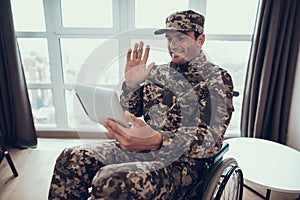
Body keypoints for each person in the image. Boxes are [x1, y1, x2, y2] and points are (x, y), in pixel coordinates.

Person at [48, 10, 234, 200]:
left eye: (181, 38)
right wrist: (131, 85)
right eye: (169, 39)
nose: (173, 45)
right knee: (72, 157)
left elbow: (209, 139)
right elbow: (131, 111)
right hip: (141, 149)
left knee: (112, 181)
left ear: (200, 40)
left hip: (181, 166)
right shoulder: (157, 73)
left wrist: (159, 139)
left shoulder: (217, 79)